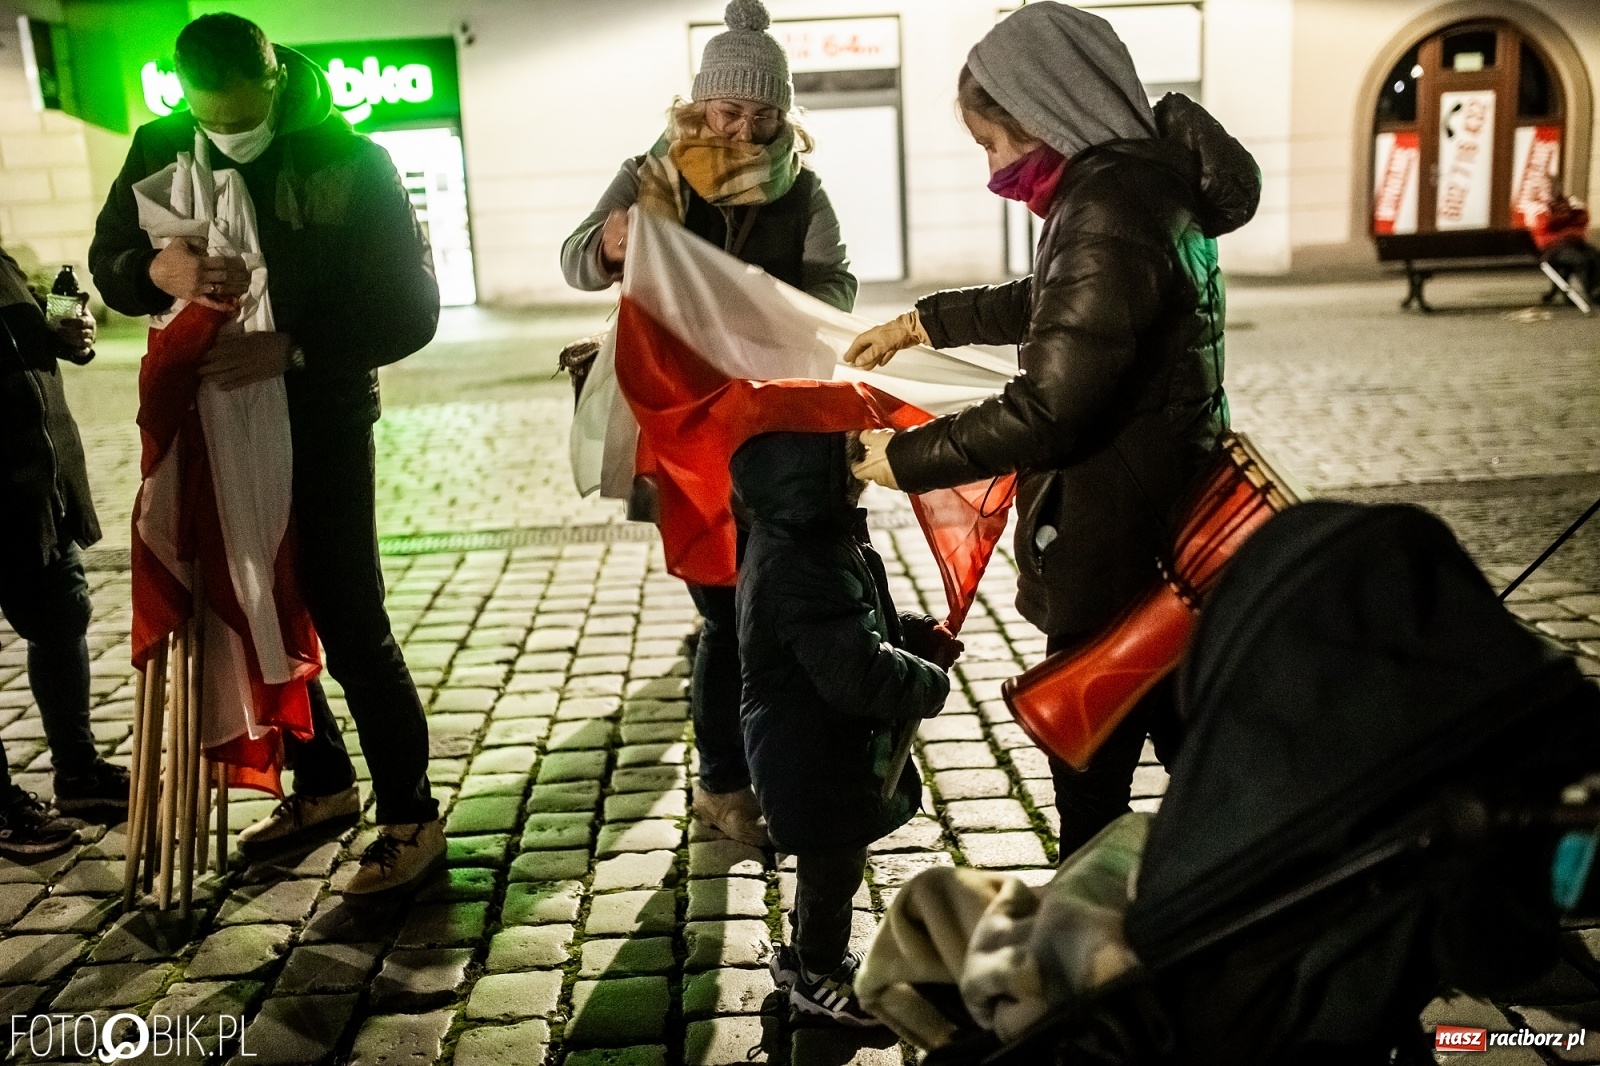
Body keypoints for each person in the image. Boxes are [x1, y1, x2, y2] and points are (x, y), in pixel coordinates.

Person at [845, 2, 1260, 854]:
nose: (995, 168)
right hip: (1159, 523)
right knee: (1194, 742)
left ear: (1046, 113)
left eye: (993, 143)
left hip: (1115, 540)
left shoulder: (1109, 202)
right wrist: (926, 324)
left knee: (1094, 769)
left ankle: (1099, 933)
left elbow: (1053, 406)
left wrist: (907, 458)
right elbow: (1066, 303)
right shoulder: (1139, 187)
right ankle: (1240, 889)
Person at [89, 14, 444, 894]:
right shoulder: (159, 144)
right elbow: (110, 261)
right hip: (211, 417)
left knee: (348, 615)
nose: (222, 129)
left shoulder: (351, 159)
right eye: (206, 114)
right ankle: (323, 784)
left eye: (238, 113)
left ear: (275, 80)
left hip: (319, 415)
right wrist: (155, 273)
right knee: (252, 606)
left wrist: (291, 348)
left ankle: (412, 815)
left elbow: (410, 309)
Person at [561, 0, 857, 848]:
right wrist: (613, 244)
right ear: (697, 106)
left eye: (764, 115)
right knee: (725, 608)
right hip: (676, 418)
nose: (745, 129)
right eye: (729, 111)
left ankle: (748, 764)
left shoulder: (803, 191)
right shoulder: (650, 171)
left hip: (768, 421)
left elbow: (836, 289)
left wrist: (765, 309)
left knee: (754, 602)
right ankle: (725, 778)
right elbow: (578, 256)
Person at [731, 431, 961, 1025]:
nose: (864, 457)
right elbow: (854, 672)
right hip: (812, 753)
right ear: (813, 477)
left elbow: (858, 626)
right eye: (849, 453)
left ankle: (805, 953)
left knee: (827, 864)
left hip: (815, 743)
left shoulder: (805, 533)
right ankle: (818, 976)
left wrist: (909, 634)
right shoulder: (803, 558)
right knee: (834, 870)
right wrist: (928, 679)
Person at [0, 249, 130, 855]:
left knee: (62, 616)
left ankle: (77, 770)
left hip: (35, 484)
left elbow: (29, 347)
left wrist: (63, 333)